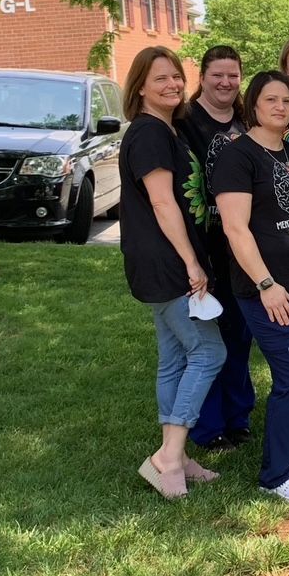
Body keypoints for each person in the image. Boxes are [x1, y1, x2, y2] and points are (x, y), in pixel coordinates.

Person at [212, 71, 289, 502]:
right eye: (271, 100)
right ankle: (276, 474)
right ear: (254, 105)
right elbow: (235, 228)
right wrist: (266, 283)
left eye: (287, 101)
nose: (282, 107)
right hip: (268, 292)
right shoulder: (238, 157)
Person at [119, 46, 226, 500]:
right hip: (166, 260)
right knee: (208, 352)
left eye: (177, 77)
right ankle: (168, 455)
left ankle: (176, 458)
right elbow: (163, 202)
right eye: (160, 78)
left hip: (162, 258)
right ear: (140, 85)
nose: (172, 85)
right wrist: (191, 261)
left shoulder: (168, 130)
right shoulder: (148, 134)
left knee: (175, 357)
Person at [177, 45, 256, 451]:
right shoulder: (186, 123)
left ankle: (239, 416)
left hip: (242, 248)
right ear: (203, 77)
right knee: (209, 339)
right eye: (217, 75)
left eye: (233, 75)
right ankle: (208, 427)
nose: (226, 82)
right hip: (204, 246)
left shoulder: (247, 122)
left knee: (240, 336)